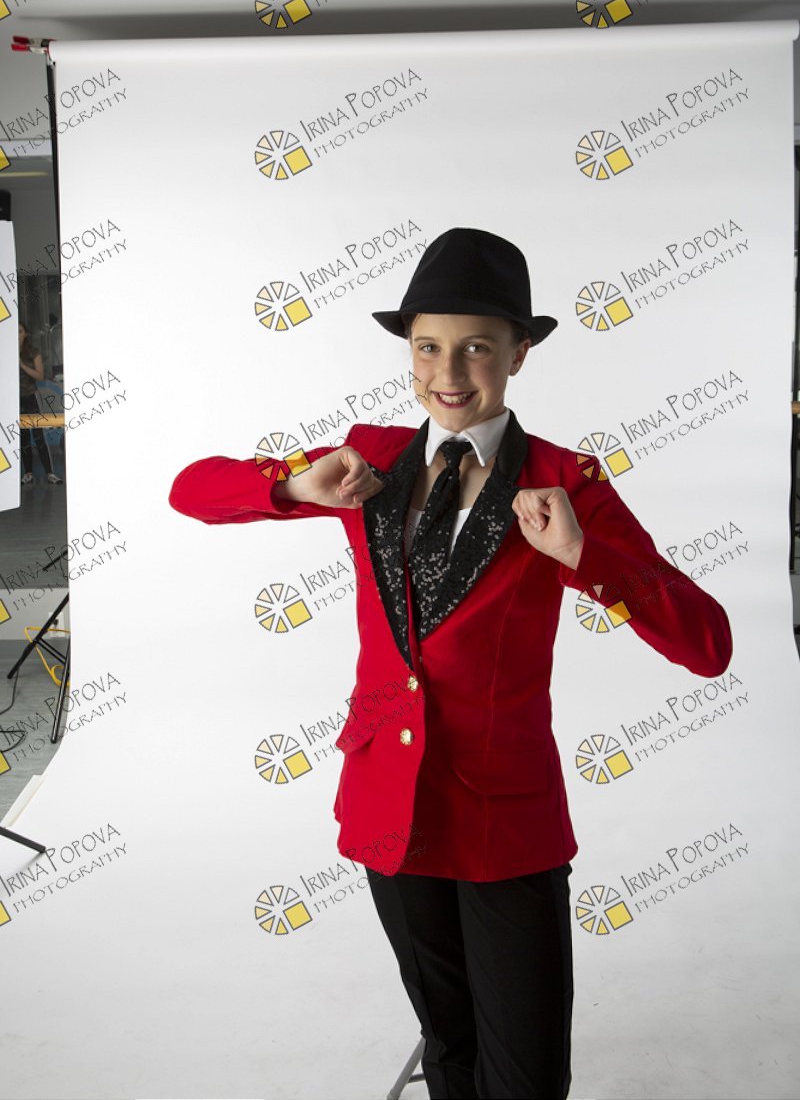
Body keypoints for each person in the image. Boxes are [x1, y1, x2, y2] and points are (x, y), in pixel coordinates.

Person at [168, 228, 733, 1100]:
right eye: (428, 346)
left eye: (477, 347)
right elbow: (190, 489)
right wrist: (292, 484)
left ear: (520, 352)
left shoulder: (565, 480)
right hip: (389, 807)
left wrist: (584, 558)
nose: (449, 371)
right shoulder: (368, 458)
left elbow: (708, 643)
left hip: (506, 821)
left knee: (525, 1073)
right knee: (448, 1042)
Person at [18, 321, 62, 485]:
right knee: (23, 438)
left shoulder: (33, 352)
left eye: (20, 331)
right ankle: (28, 473)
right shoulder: (5, 352)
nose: (16, 335)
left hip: (31, 397)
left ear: (25, 334)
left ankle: (50, 473)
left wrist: (22, 365)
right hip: (15, 400)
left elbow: (40, 376)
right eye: (14, 331)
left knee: (38, 436)